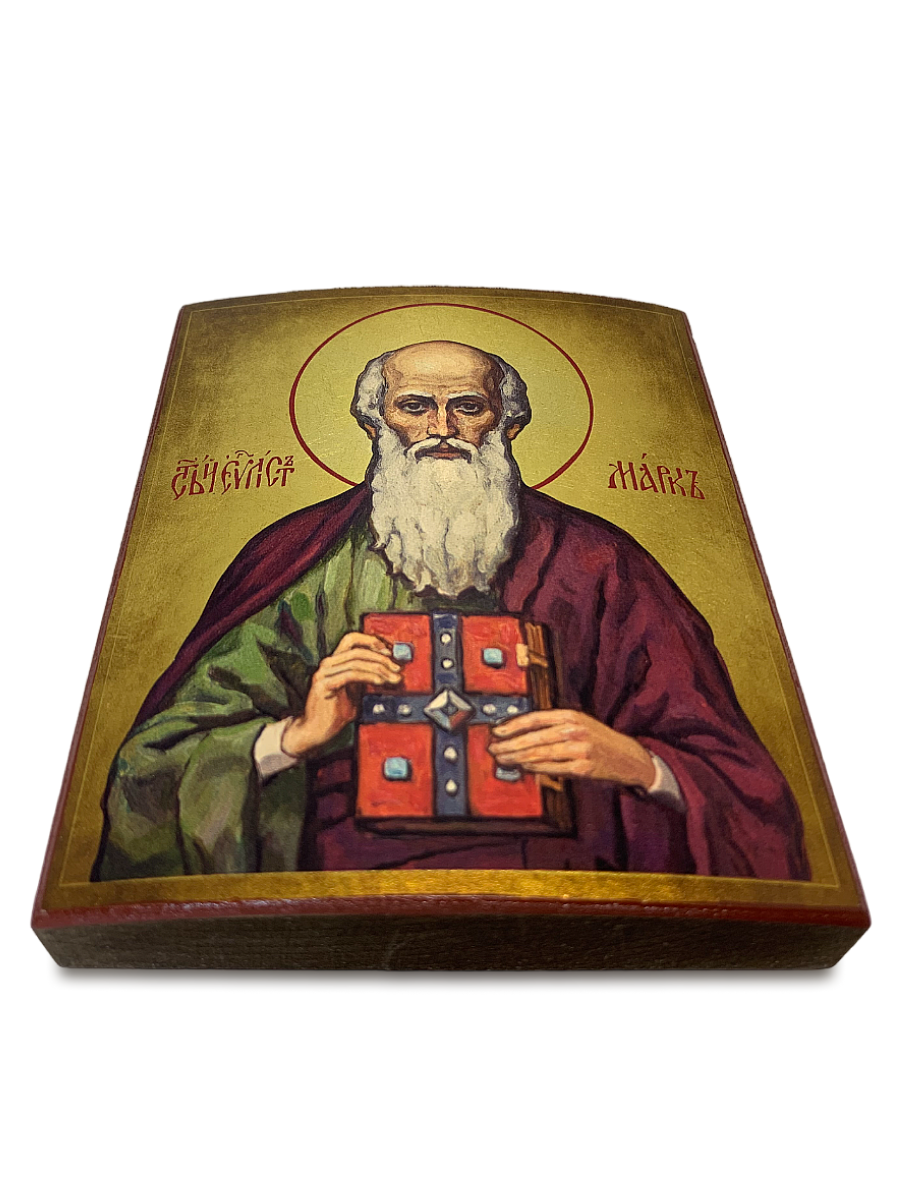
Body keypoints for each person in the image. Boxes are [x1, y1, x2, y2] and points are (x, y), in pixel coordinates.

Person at [93, 341, 810, 881]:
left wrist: (640, 764)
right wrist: (295, 736)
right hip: (340, 877)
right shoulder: (302, 560)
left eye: (468, 406)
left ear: (507, 423)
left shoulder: (602, 563)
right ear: (376, 422)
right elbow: (150, 765)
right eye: (414, 407)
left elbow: (741, 779)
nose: (441, 427)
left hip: (556, 878)